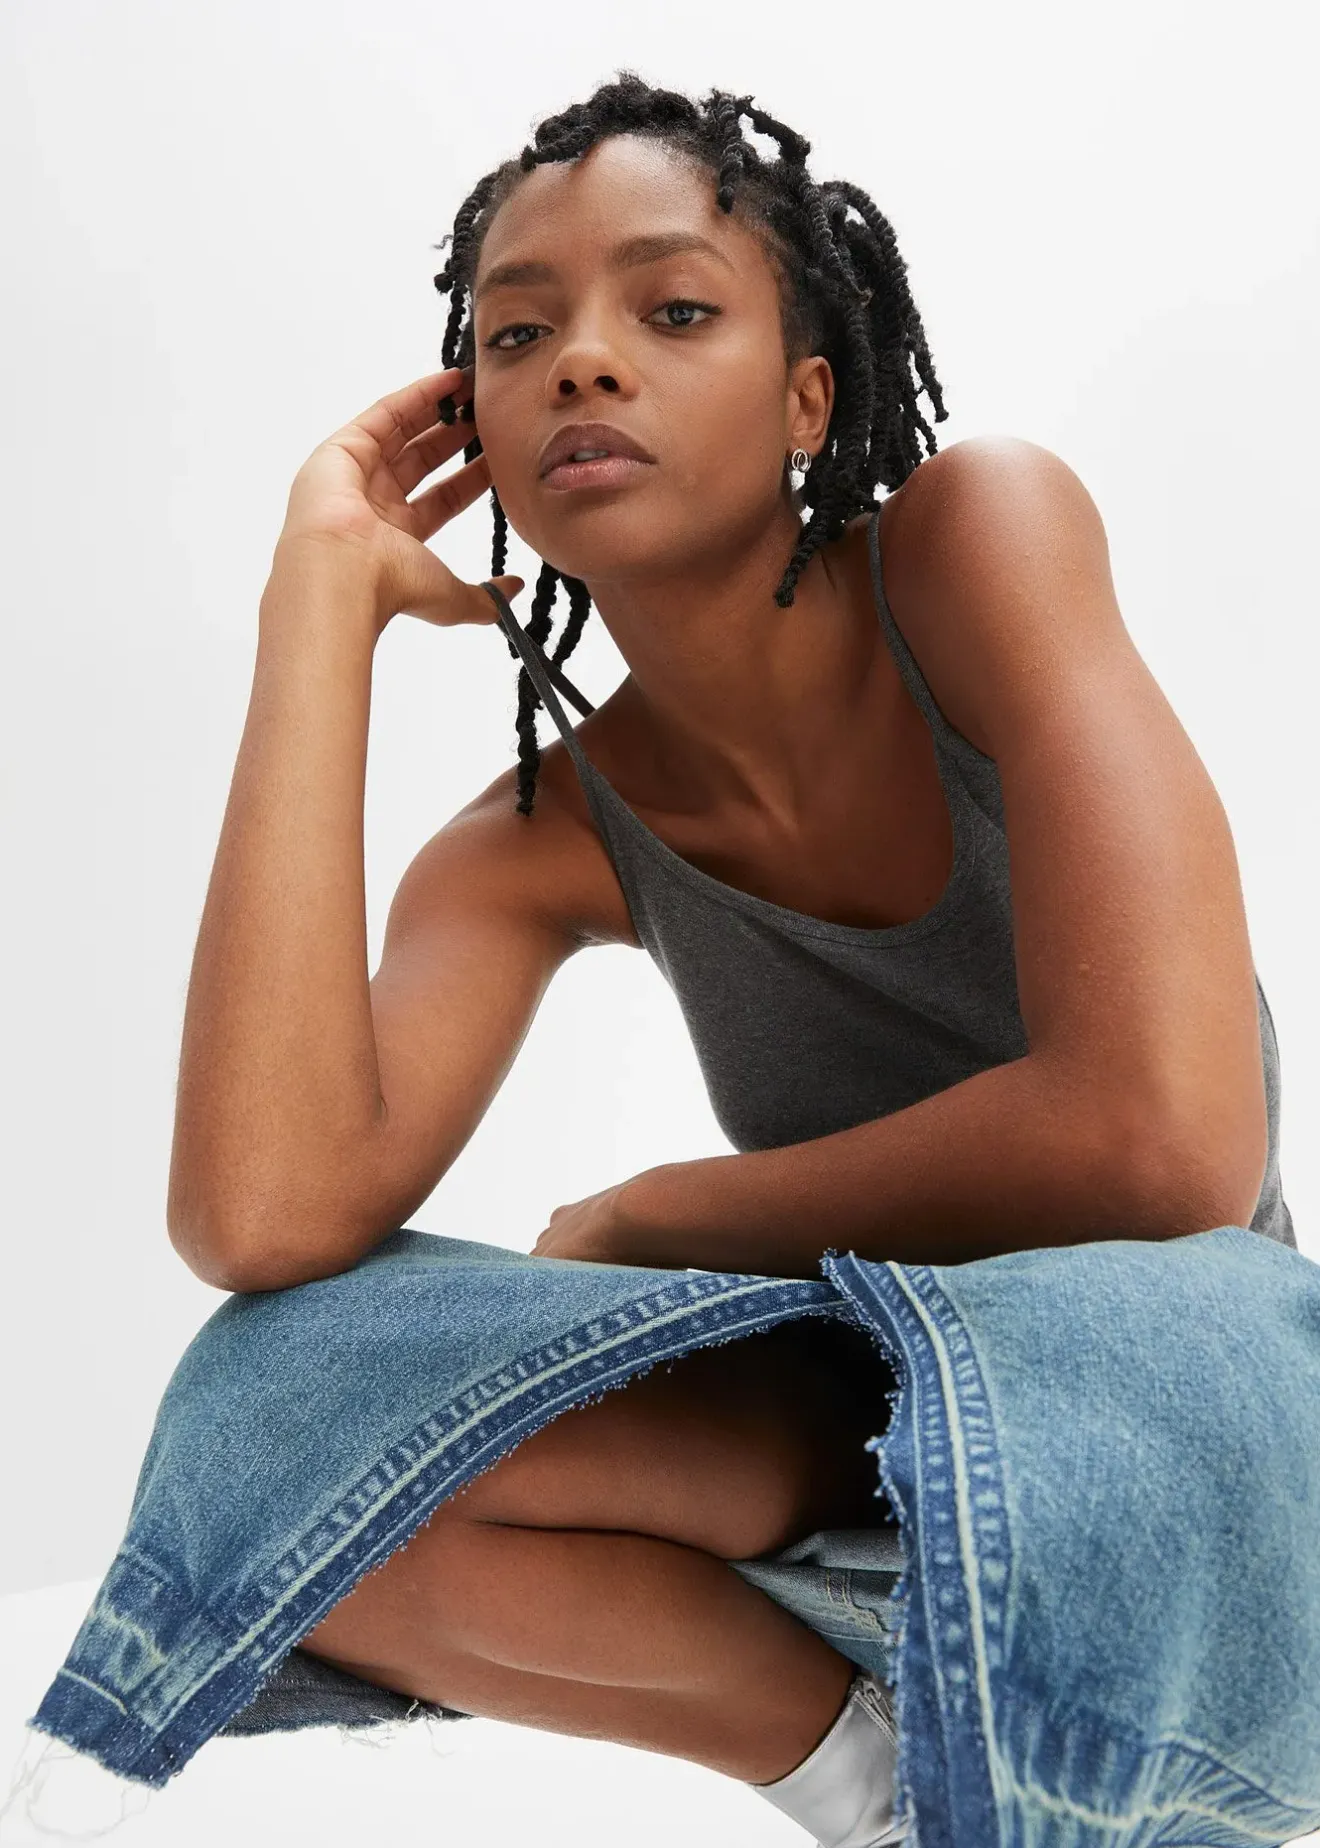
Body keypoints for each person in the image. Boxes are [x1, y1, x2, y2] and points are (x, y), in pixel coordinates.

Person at [26, 73, 1316, 1848]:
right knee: (270, 1434)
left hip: (1176, 1441)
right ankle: (877, 1784)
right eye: (517, 334)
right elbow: (259, 1218)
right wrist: (316, 602)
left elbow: (1167, 1144)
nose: (583, 361)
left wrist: (655, 1213)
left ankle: (1028, 1751)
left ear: (809, 397)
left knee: (1150, 1310)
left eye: (676, 309)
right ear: (476, 427)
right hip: (859, 1419)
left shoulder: (981, 541)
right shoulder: (534, 843)